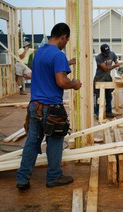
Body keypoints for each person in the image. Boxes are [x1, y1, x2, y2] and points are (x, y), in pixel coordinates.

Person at [16, 23, 82, 190]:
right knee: (54, 141)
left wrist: (68, 63)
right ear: (63, 37)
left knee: (32, 142)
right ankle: (53, 177)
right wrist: (74, 84)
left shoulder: (39, 52)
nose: (66, 43)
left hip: (35, 106)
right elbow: (61, 81)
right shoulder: (58, 55)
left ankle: (22, 178)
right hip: (51, 108)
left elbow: (47, 70)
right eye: (66, 40)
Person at [94, 44, 122, 118]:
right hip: (99, 78)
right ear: (102, 52)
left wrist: (121, 70)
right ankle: (97, 113)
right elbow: (105, 69)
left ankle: (108, 112)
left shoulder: (112, 54)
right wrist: (115, 66)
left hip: (107, 78)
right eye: (105, 53)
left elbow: (116, 63)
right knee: (99, 97)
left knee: (109, 96)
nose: (107, 54)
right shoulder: (98, 58)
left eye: (108, 52)